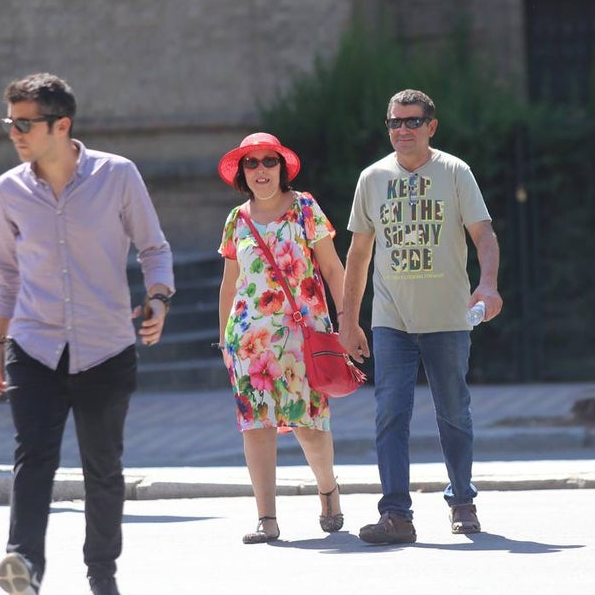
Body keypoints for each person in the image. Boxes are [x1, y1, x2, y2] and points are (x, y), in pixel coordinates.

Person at [0, 73, 174, 595]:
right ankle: (23, 566)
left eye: (25, 123)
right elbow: (6, 272)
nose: (15, 133)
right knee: (33, 455)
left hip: (107, 347)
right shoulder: (8, 190)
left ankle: (103, 574)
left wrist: (158, 300)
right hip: (34, 344)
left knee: (103, 467)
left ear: (61, 125)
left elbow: (154, 249)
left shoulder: (117, 176)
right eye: (10, 122)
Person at [339, 89, 503, 545]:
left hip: (449, 317)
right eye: (394, 123)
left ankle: (463, 501)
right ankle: (395, 514)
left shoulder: (454, 172)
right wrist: (349, 321)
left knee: (453, 413)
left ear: (432, 125)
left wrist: (487, 284)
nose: (402, 130)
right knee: (390, 412)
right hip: (391, 318)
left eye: (412, 122)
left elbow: (483, 235)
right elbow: (358, 254)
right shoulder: (372, 178)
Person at [216, 132, 348, 543]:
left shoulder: (305, 207)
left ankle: (327, 488)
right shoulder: (237, 220)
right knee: (256, 426)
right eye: (251, 164)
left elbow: (332, 269)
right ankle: (266, 519)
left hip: (302, 337)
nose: (260, 170)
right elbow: (229, 283)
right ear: (242, 172)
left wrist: (348, 322)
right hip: (248, 340)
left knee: (309, 425)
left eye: (268, 162)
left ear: (282, 167)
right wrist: (224, 340)